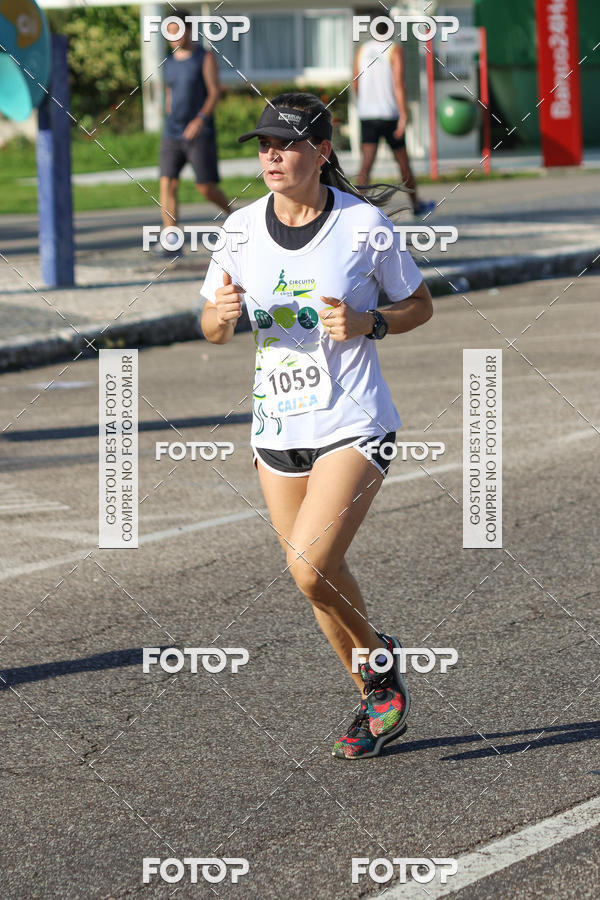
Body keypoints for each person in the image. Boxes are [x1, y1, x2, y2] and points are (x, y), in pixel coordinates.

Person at [199, 92, 433, 759]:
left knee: (309, 566)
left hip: (353, 420)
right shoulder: (240, 229)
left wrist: (371, 322)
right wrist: (221, 312)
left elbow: (419, 305)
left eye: (288, 143)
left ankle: (379, 662)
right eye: (265, 145)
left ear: (322, 151)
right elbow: (213, 330)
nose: (273, 155)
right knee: (316, 579)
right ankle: (374, 695)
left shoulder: (363, 227)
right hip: (276, 429)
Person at [156, 8, 232, 255]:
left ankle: (238, 218)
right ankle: (171, 240)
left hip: (199, 133)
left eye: (177, 30)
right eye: (169, 31)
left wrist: (200, 119)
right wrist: (168, 109)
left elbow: (214, 92)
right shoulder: (168, 61)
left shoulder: (204, 57)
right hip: (172, 132)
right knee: (167, 182)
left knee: (205, 187)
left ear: (189, 30)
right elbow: (170, 90)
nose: (173, 36)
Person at [353, 10, 435, 216]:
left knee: (366, 165)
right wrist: (404, 114)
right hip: (389, 114)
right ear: (389, 27)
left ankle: (355, 208)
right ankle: (416, 205)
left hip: (368, 115)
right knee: (403, 163)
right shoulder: (394, 49)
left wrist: (364, 103)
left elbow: (355, 82)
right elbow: (399, 84)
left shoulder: (362, 50)